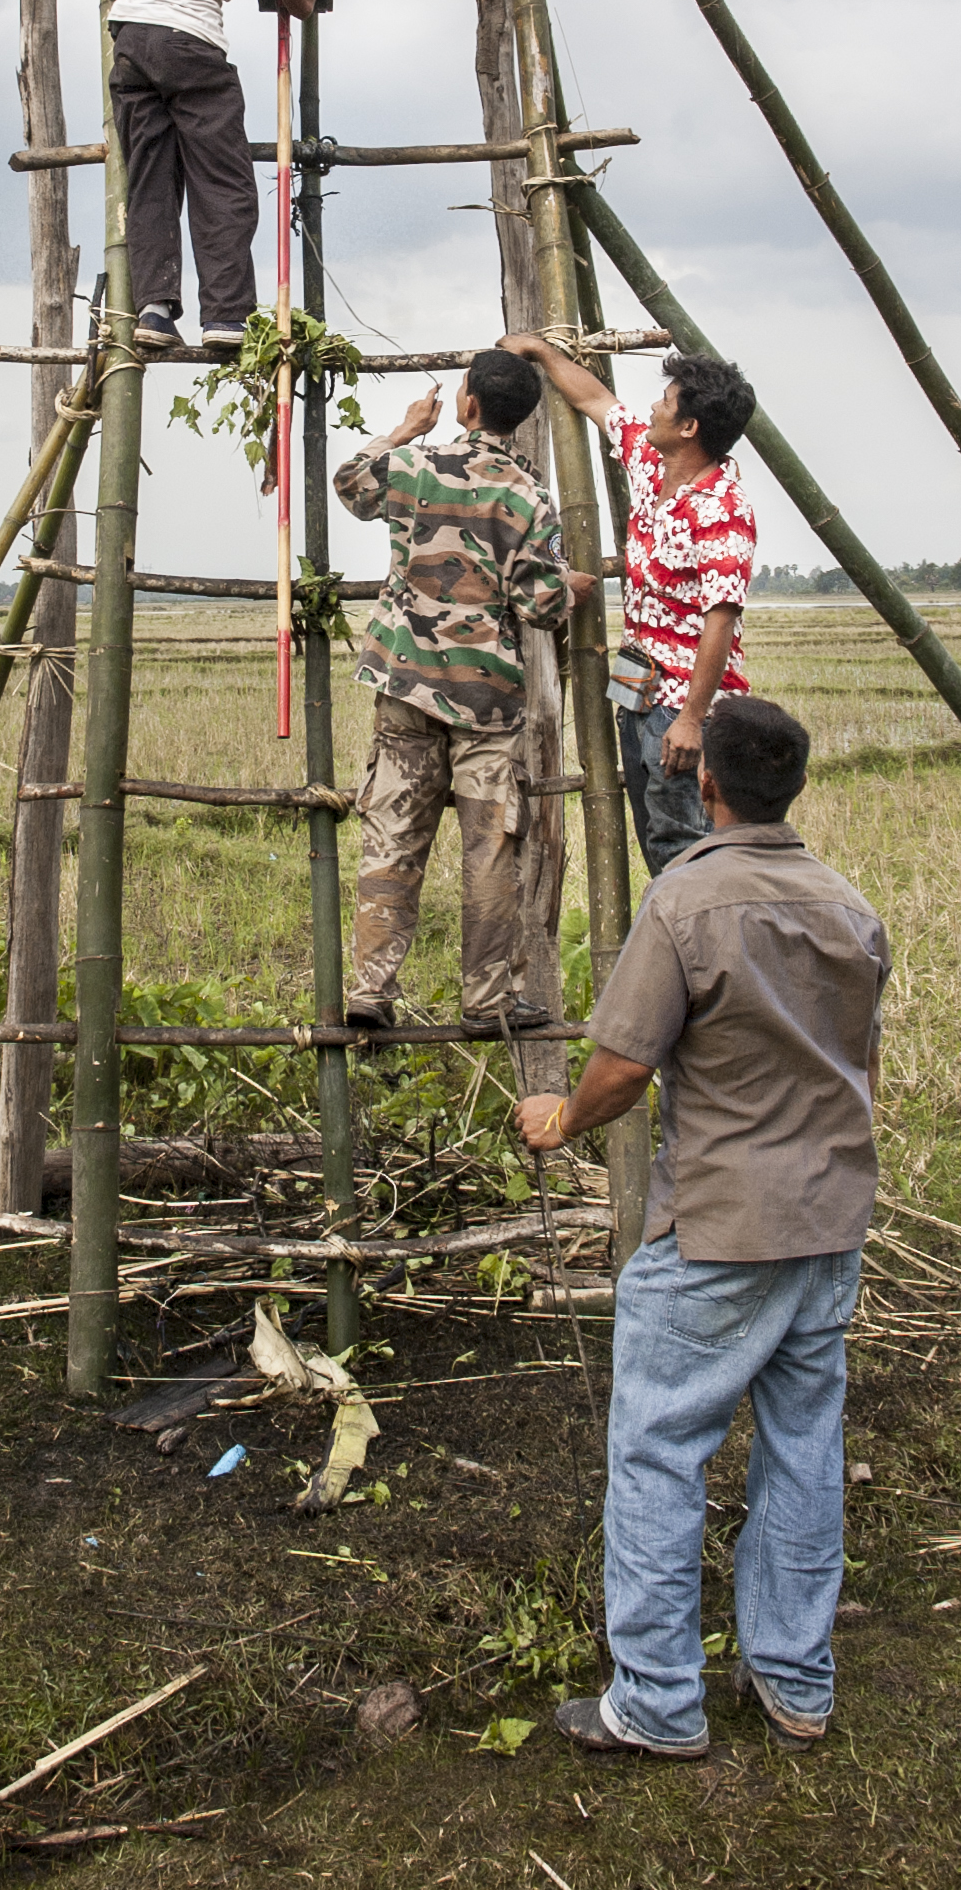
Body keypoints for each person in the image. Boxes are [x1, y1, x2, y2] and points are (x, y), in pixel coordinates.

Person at [512, 695, 890, 1760]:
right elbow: (859, 1065)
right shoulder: (848, 906)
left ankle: (657, 1700)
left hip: (720, 1226)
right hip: (828, 1221)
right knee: (805, 1446)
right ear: (792, 786)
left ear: (705, 783)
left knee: (655, 1449)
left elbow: (626, 1062)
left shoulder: (684, 900)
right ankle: (793, 1679)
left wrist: (561, 1116)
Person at [333, 348, 597, 1034]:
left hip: (405, 686)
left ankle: (371, 988)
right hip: (486, 703)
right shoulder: (528, 497)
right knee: (491, 849)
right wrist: (565, 586)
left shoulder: (418, 467)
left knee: (391, 833)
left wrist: (403, 429)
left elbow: (350, 482)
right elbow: (538, 605)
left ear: (467, 403)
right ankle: (487, 1000)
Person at [502, 335, 756, 876]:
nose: (653, 409)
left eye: (665, 402)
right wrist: (544, 354)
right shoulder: (653, 467)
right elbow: (598, 402)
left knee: (685, 846)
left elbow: (721, 621)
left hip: (684, 707)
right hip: (637, 690)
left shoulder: (722, 510)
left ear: (689, 427)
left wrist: (690, 720)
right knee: (656, 840)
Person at [108, 0, 331, 351]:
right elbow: (301, 2)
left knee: (151, 180)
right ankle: (226, 317)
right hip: (191, 44)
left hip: (133, 35)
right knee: (222, 182)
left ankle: (154, 311)